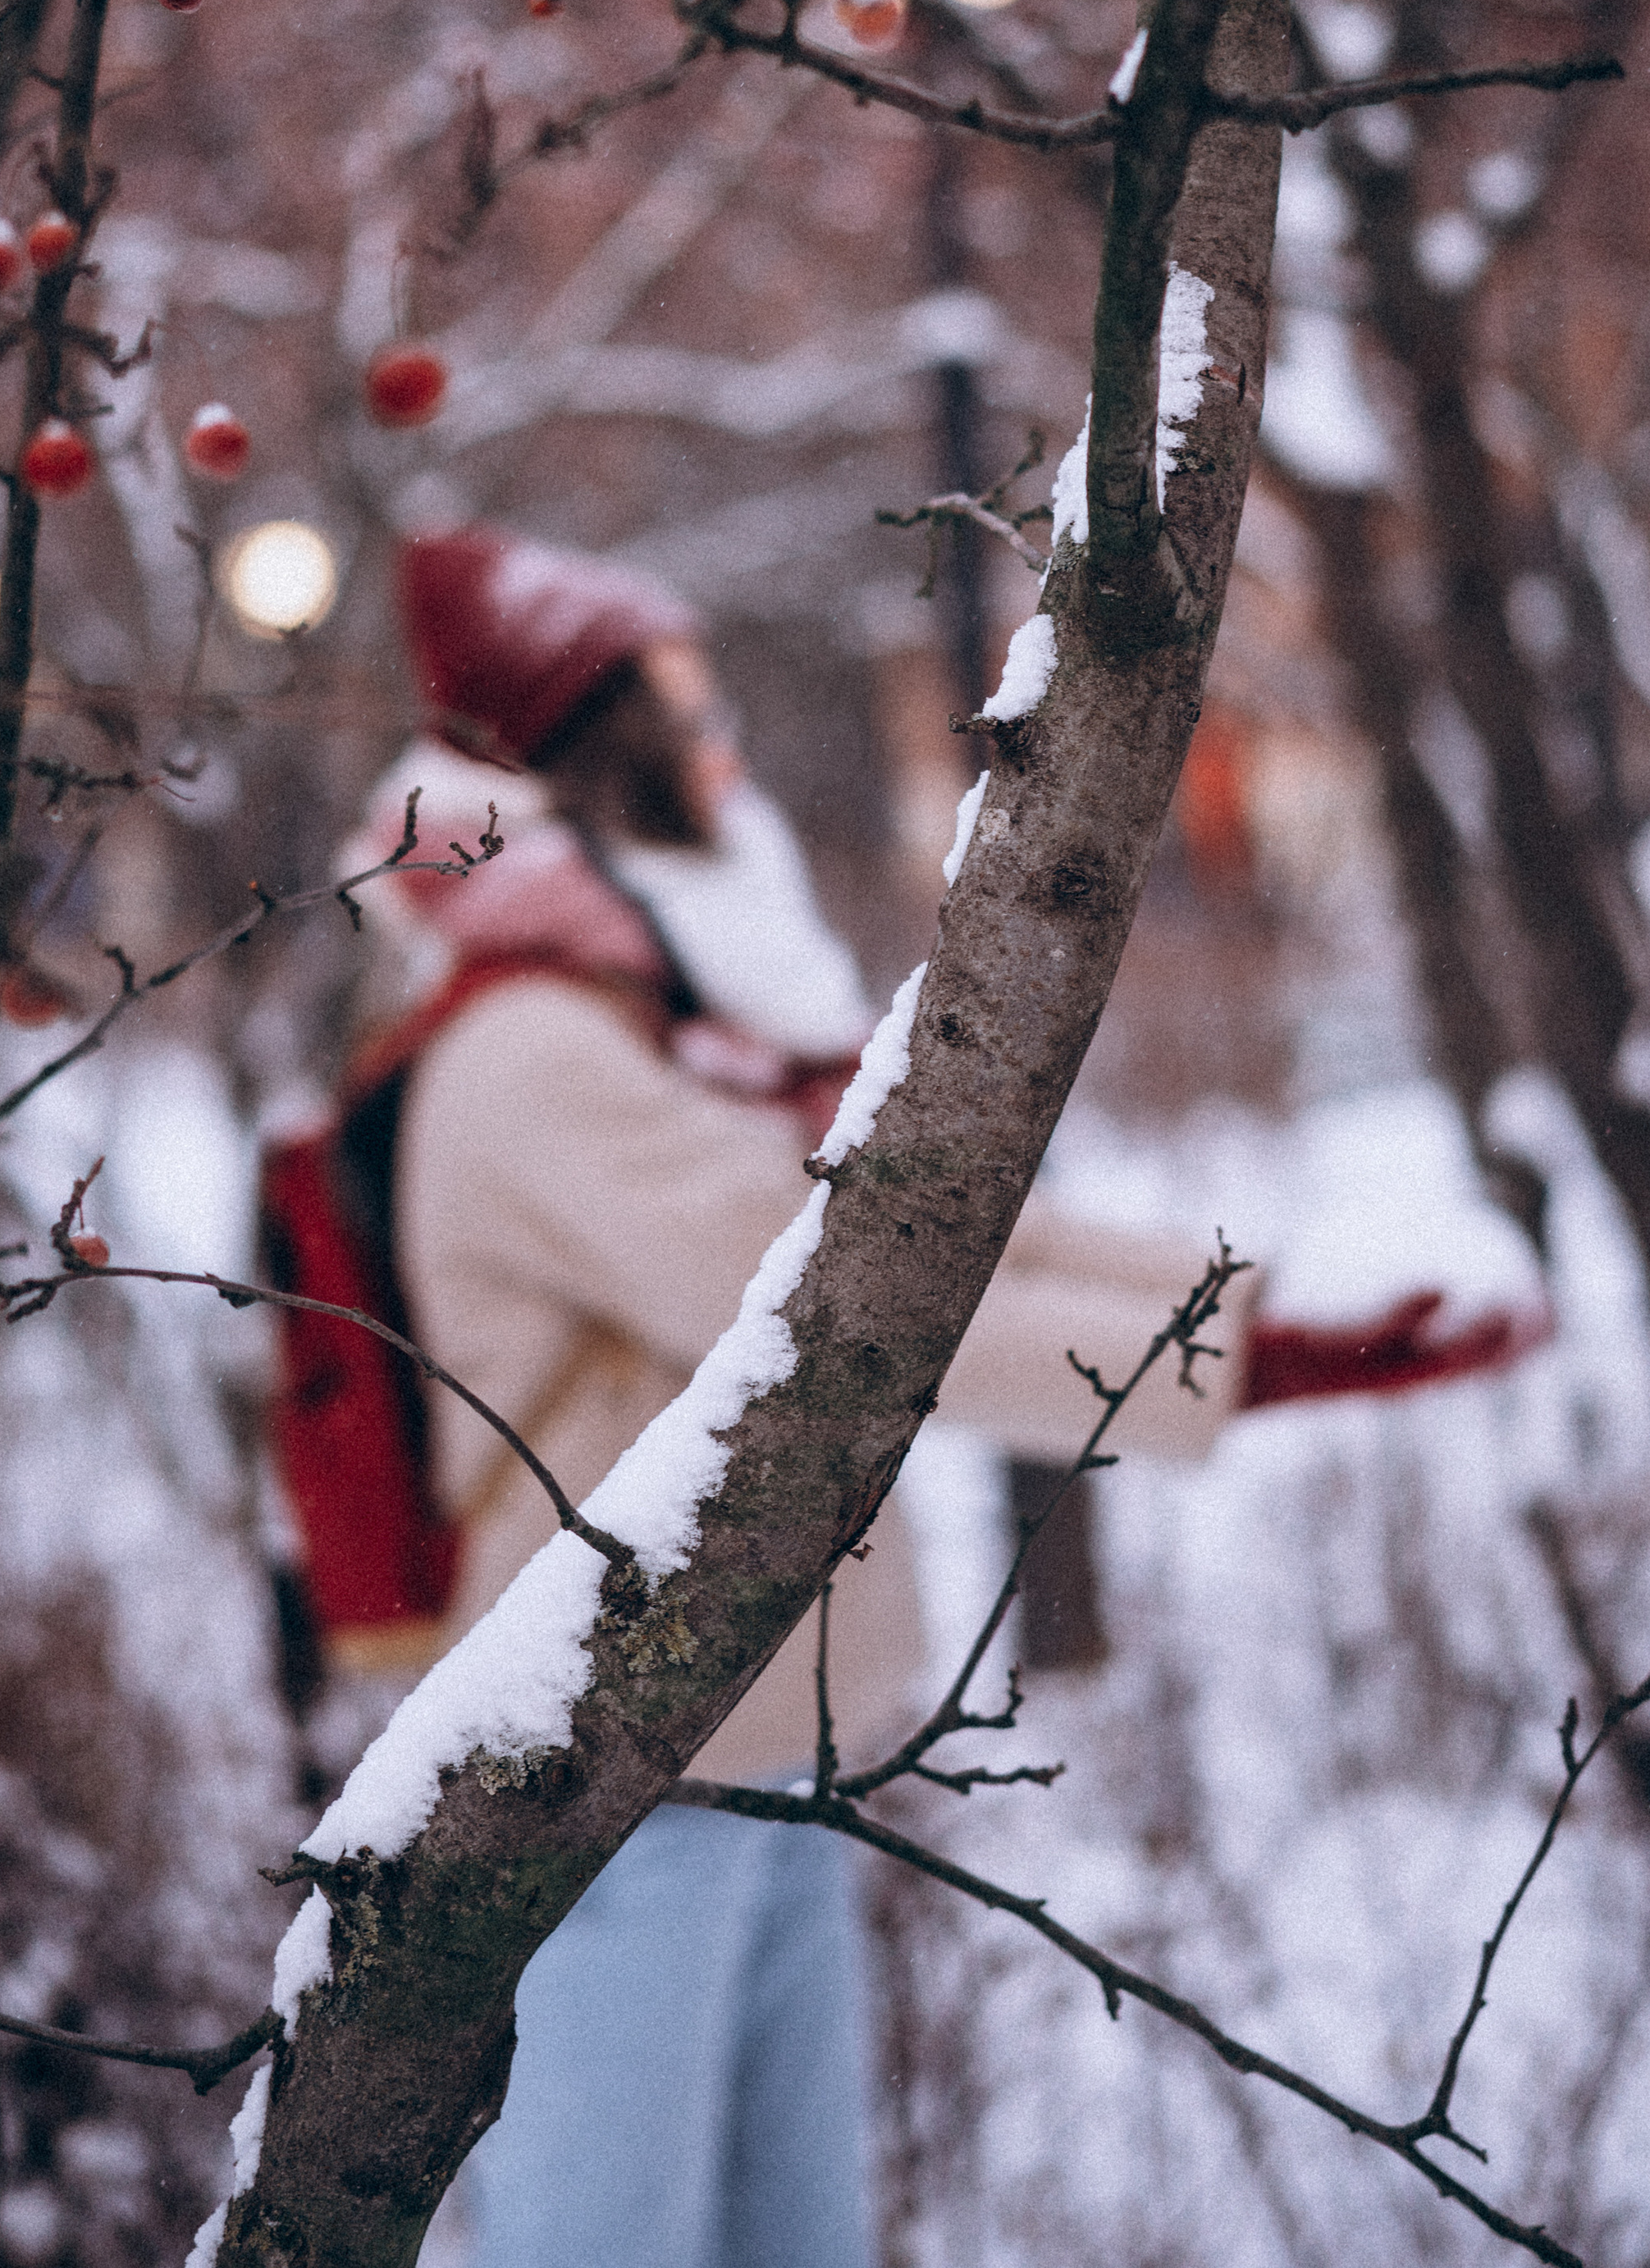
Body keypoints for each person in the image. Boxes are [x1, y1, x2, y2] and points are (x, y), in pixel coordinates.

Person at [294, 528, 1545, 2268]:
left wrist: (1253, 1310)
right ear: (579, 760)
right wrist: (1248, 1363)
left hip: (754, 1753)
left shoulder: (664, 1027)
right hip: (611, 1804)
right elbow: (858, 1309)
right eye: (674, 706)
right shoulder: (534, 1061)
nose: (716, 740)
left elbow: (932, 1221)